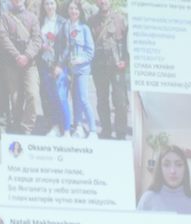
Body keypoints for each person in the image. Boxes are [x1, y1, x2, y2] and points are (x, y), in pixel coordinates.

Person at [0, 0, 42, 135]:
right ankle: (17, 123)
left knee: (32, 94)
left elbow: (37, 39)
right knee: (15, 97)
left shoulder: (33, 18)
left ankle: (27, 127)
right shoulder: (5, 17)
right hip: (12, 62)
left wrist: (27, 56)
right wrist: (17, 56)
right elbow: (3, 38)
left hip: (30, 63)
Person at [88, 0, 128, 139]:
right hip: (99, 66)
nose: (103, 1)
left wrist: (125, 60)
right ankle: (106, 130)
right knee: (102, 100)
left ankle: (121, 133)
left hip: (117, 66)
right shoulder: (91, 21)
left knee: (121, 101)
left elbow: (127, 43)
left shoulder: (120, 19)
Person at [137, 145, 191, 214]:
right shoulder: (147, 199)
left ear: (185, 169)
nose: (173, 171)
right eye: (166, 165)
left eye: (179, 165)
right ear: (160, 169)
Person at [63, 0, 97, 137]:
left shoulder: (84, 29)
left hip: (82, 70)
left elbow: (90, 52)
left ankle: (93, 130)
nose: (73, 11)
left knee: (83, 99)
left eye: (76, 9)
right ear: (68, 10)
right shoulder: (65, 27)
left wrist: (80, 60)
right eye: (71, 8)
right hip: (70, 70)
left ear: (79, 11)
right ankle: (78, 126)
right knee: (74, 99)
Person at [37, 0, 69, 137]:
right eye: (47, 4)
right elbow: (35, 40)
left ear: (56, 5)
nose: (49, 6)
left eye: (52, 3)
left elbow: (67, 46)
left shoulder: (63, 22)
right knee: (50, 97)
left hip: (59, 65)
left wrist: (60, 65)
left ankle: (66, 130)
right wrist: (41, 46)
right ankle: (55, 127)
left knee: (61, 97)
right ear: (43, 6)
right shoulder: (40, 21)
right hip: (45, 64)